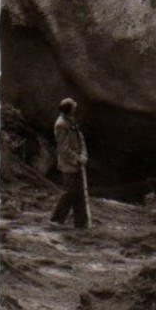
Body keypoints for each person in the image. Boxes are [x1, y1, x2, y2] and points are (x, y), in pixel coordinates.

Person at [50, 98, 90, 229]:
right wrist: (77, 158)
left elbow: (81, 139)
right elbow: (63, 149)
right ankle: (56, 220)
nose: (75, 109)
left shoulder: (71, 121)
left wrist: (83, 155)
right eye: (74, 107)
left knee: (78, 193)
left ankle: (81, 223)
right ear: (70, 109)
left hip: (78, 162)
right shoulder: (61, 124)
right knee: (69, 192)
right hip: (69, 165)